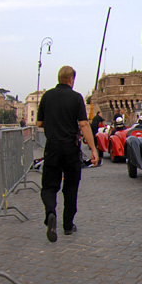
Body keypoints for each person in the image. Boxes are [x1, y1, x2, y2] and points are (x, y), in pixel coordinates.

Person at [37, 65, 98, 242]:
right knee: (71, 187)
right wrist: (93, 149)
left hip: (53, 147)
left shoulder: (47, 96)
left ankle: (50, 213)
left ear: (59, 78)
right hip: (71, 147)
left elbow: (39, 123)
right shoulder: (76, 97)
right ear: (72, 79)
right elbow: (84, 124)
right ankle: (68, 225)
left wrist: (52, 121)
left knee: (49, 186)